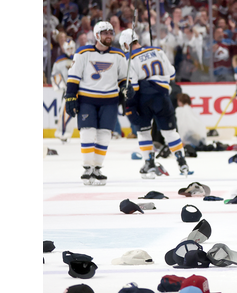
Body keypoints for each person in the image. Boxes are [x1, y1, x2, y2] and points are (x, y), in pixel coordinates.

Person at [64, 21, 134, 185]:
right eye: (105, 33)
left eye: (111, 33)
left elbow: (123, 77)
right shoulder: (83, 52)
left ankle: (97, 168)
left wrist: (125, 87)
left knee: (104, 135)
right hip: (87, 99)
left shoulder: (118, 55)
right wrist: (70, 96)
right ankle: (87, 168)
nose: (109, 36)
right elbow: (74, 76)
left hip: (110, 101)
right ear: (97, 35)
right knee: (87, 131)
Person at [120, 28, 192, 178]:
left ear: (126, 45)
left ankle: (150, 164)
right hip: (163, 96)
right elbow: (171, 73)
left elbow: (134, 87)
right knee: (170, 132)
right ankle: (182, 163)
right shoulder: (157, 50)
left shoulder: (129, 58)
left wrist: (129, 103)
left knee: (144, 131)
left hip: (144, 97)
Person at [51, 38, 77, 143]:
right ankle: (63, 133)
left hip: (83, 88)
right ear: (64, 48)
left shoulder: (80, 57)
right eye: (68, 48)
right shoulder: (59, 60)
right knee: (66, 111)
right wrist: (60, 85)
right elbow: (55, 74)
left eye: (71, 48)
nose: (70, 50)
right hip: (69, 90)